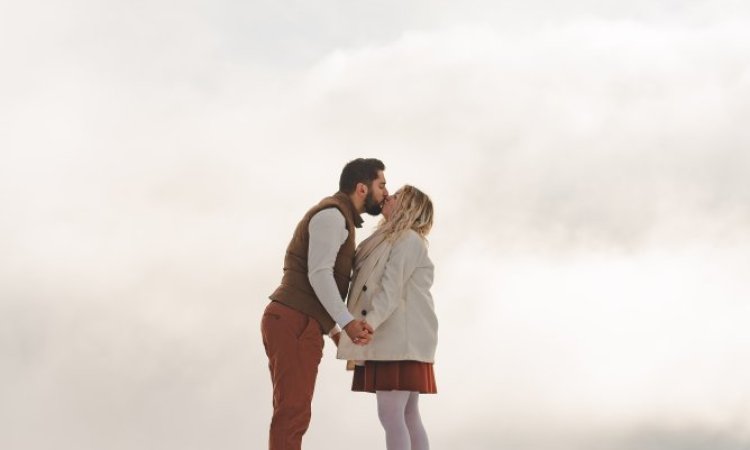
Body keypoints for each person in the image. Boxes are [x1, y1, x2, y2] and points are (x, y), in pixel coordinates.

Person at [261, 158, 387, 450]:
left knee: (291, 410)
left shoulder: (339, 217)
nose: (385, 192)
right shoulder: (332, 216)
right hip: (295, 321)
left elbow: (317, 280)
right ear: (361, 188)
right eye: (381, 185)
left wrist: (334, 331)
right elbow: (319, 274)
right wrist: (347, 322)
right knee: (293, 412)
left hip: (298, 320)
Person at [337, 185, 437, 450]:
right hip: (398, 338)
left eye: (396, 197)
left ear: (408, 208)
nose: (388, 197)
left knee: (392, 414)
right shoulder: (392, 239)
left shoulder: (406, 240)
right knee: (406, 414)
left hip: (399, 340)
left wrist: (368, 325)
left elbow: (390, 291)